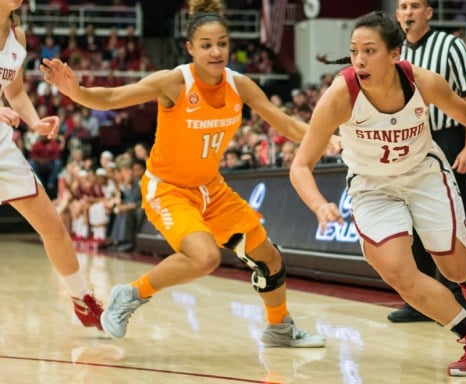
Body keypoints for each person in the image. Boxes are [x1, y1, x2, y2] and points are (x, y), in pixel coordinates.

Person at [40, 0, 326, 348]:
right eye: (206, 45)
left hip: (211, 188)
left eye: (222, 43)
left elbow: (286, 124)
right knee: (204, 257)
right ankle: (130, 295)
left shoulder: (240, 85)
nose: (216, 51)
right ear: (190, 48)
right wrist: (77, 92)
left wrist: (329, 138)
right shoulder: (174, 82)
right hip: (168, 189)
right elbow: (114, 96)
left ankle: (279, 328)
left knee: (269, 257)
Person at [290, 11, 466, 376]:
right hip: (373, 186)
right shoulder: (340, 96)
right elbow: (300, 165)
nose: (359, 60)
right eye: (354, 50)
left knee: (454, 266)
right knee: (398, 271)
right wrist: (319, 204)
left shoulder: (422, 82)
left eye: (369, 51)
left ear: (394, 54)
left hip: (423, 173)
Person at [0, 0, 103, 330]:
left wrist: (34, 122)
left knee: (53, 225)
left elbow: (13, 91)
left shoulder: (18, 36)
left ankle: (82, 300)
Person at [388, 0, 466, 323]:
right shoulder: (392, 51)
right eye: (403, 6)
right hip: (406, 141)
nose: (408, 12)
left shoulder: (451, 45)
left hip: (447, 137)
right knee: (412, 219)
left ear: (428, 12)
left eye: (415, 6)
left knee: (449, 219)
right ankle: (421, 301)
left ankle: (460, 298)